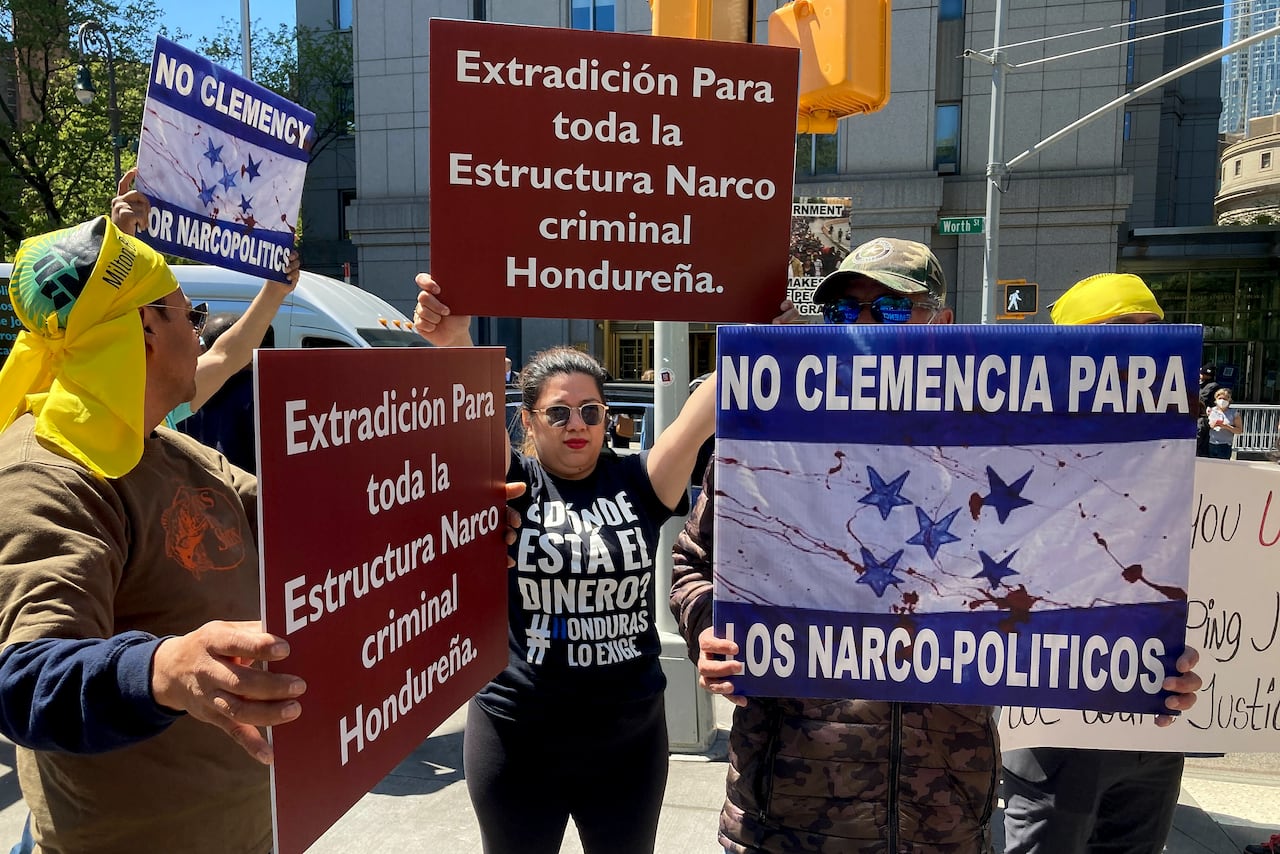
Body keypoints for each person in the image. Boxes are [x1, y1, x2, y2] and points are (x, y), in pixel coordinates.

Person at [670, 239, 1203, 854]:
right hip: (789, 815)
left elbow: (1082, 579)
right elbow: (693, 562)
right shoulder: (775, 447)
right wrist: (711, 628)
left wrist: (1145, 660)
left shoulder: (1006, 454)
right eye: (846, 310)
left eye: (892, 307)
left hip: (941, 818)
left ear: (940, 323)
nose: (866, 324)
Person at [411, 272, 794, 854]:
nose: (577, 427)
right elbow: (464, 415)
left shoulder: (639, 481)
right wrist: (453, 339)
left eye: (591, 412)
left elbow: (702, 410)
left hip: (628, 737)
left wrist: (760, 338)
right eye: (558, 414)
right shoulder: (508, 481)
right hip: (517, 732)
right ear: (529, 419)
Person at [0, 215, 307, 853]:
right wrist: (162, 667)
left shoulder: (162, 445)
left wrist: (453, 514)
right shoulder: (46, 475)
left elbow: (299, 515)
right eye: (186, 312)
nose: (199, 332)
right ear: (144, 330)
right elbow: (25, 680)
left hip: (241, 827)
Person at [999, 271, 1194, 854]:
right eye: (1119, 333)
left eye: (1155, 332)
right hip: (1057, 729)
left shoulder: (1182, 448)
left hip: (1153, 728)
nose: (1142, 350)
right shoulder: (1017, 450)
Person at [110, 167, 301, 428]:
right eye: (192, 317)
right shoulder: (109, 418)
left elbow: (229, 354)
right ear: (148, 330)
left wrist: (275, 291)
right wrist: (121, 240)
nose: (201, 338)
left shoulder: (164, 409)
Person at [1206, 386, 1243, 460]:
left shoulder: (1234, 413)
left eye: (1225, 399)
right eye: (1220, 398)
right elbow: (1206, 424)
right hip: (1211, 443)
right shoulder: (1211, 411)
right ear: (1216, 400)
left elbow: (1239, 431)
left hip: (1225, 445)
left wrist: (1226, 426)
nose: (1222, 401)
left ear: (1229, 400)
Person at [1196, 366, 1221, 458]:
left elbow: (1202, 398)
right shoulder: (1200, 384)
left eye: (1203, 374)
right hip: (1196, 415)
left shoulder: (1212, 386)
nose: (1200, 375)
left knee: (1199, 436)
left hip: (1204, 416)